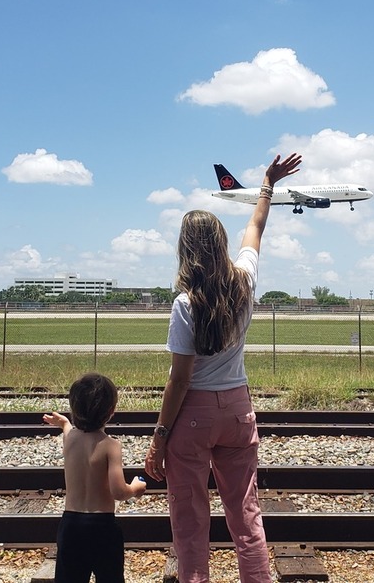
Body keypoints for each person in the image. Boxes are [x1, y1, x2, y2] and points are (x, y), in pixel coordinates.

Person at [144, 153, 302, 583]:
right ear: (220, 244)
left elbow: (179, 380)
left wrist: (159, 437)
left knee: (190, 518)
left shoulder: (184, 304)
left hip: (192, 417)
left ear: (185, 248)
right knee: (246, 515)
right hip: (237, 409)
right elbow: (256, 227)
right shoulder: (245, 282)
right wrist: (267, 183)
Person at [44, 372, 146, 583]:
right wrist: (136, 488)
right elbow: (118, 492)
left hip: (71, 525)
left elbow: (68, 430)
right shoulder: (111, 446)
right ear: (111, 411)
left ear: (73, 409)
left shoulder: (70, 439)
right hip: (102, 527)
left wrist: (63, 423)